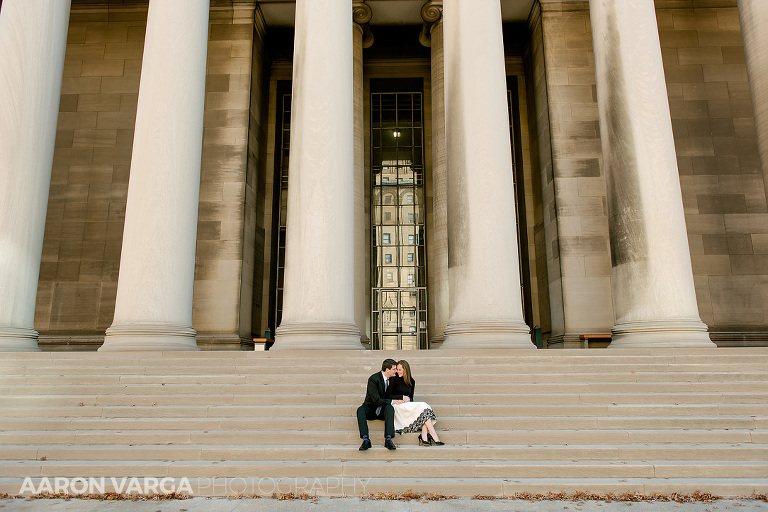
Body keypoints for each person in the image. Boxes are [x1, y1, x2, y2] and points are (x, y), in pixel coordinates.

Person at [387, 360, 444, 446]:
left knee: (424, 407)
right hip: (397, 406)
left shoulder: (411, 381)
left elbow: (411, 398)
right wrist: (401, 397)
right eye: (397, 369)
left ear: (405, 369)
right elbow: (388, 395)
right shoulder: (394, 379)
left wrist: (408, 400)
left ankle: (424, 436)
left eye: (399, 370)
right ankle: (433, 435)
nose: (397, 371)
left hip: (407, 405)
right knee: (424, 406)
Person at [356, 359, 409, 451]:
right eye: (394, 369)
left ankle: (388, 439)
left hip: (384, 410)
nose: (396, 371)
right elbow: (376, 400)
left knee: (389, 408)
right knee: (360, 410)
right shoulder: (373, 379)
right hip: (371, 408)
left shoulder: (394, 379)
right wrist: (393, 401)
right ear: (387, 370)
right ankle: (366, 439)